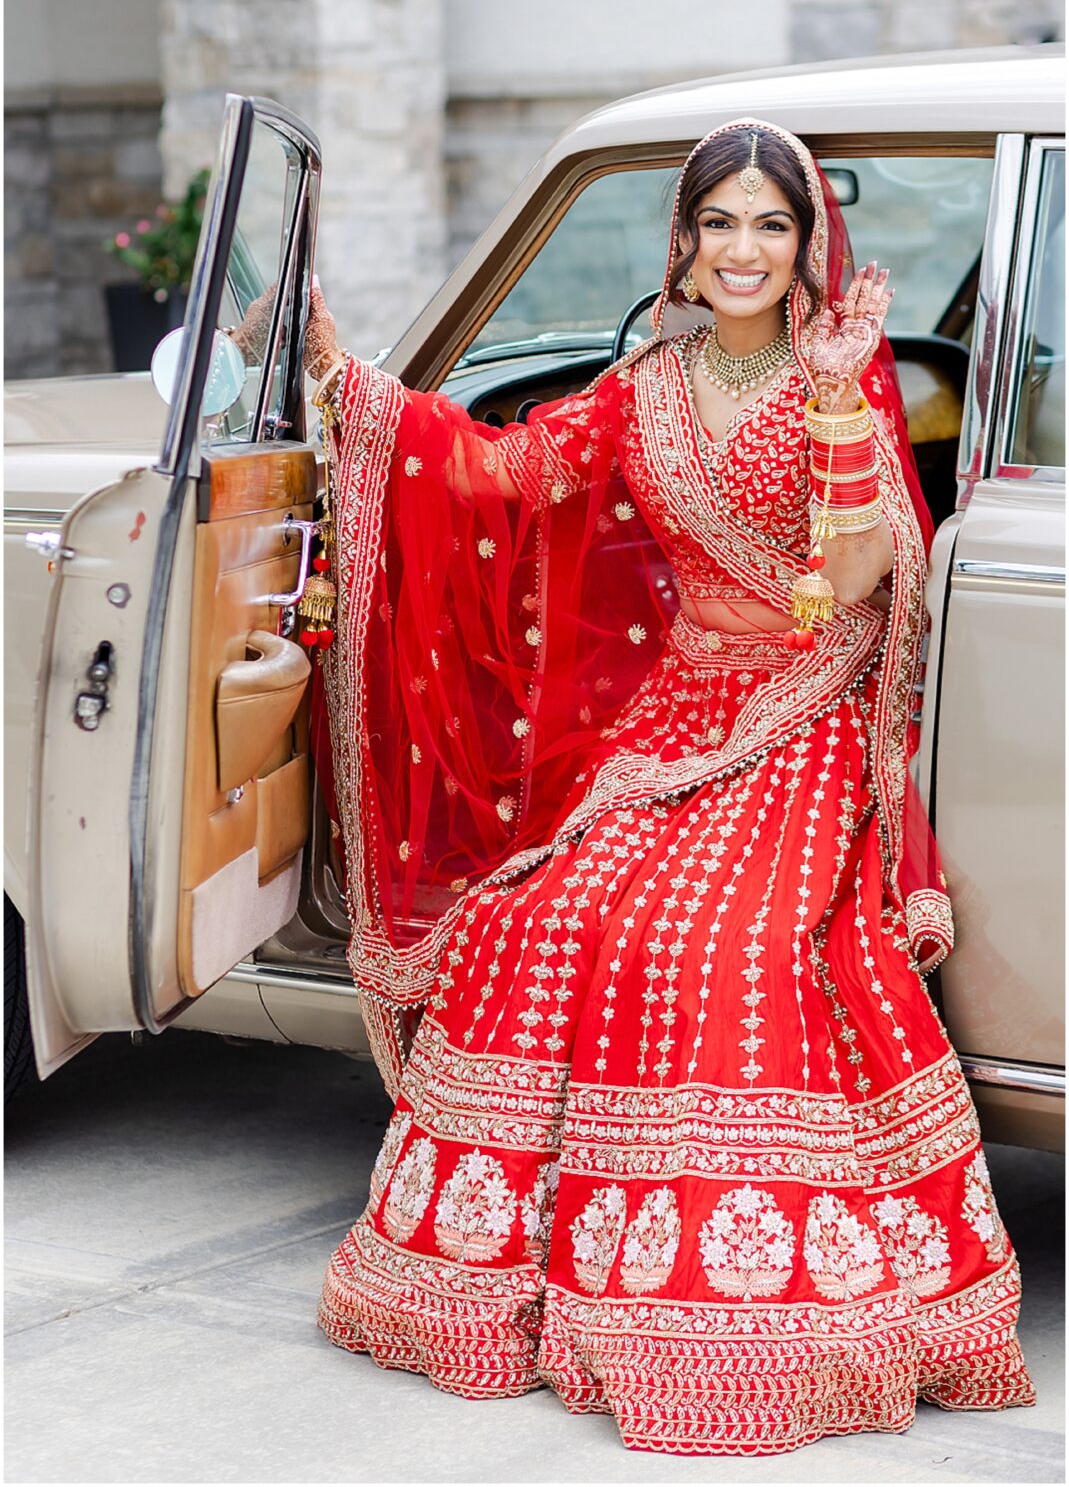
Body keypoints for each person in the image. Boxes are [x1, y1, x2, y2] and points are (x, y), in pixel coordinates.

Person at [298, 120, 1035, 1456]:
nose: (742, 249)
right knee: (534, 918)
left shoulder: (841, 379)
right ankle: (506, 1276)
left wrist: (828, 404)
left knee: (714, 940)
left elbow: (861, 582)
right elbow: (504, 475)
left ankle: (726, 1300)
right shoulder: (643, 386)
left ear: (806, 248)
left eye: (770, 224)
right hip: (677, 712)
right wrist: (350, 387)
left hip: (802, 718)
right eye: (720, 224)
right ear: (684, 246)